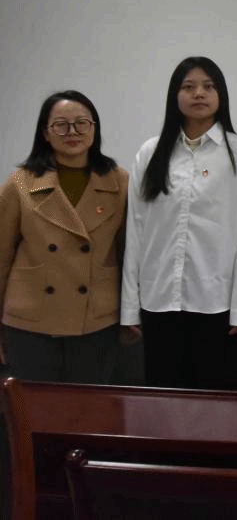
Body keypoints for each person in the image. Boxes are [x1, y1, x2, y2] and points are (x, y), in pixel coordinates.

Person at [123, 57, 237, 391]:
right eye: (189, 87)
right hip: (159, 302)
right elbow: (136, 231)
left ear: (220, 95)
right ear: (175, 95)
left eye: (208, 86)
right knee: (164, 402)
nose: (198, 93)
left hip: (217, 306)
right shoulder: (151, 153)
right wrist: (129, 307)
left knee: (215, 406)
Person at [0, 91, 128, 383]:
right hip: (31, 321)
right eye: (61, 125)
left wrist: (131, 316)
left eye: (82, 123)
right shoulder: (20, 182)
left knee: (88, 407)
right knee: (33, 408)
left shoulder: (119, 181)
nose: (72, 132)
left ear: (94, 129)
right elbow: (1, 256)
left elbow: (128, 254)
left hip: (96, 319)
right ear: (45, 132)